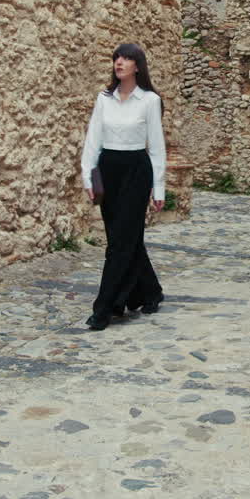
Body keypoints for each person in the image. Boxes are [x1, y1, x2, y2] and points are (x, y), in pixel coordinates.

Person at [80, 43, 166, 330]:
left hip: (136, 172)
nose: (119, 62)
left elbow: (157, 148)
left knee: (120, 243)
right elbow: (93, 140)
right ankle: (150, 291)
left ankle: (105, 308)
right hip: (109, 170)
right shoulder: (104, 99)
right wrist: (89, 177)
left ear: (137, 66)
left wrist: (159, 188)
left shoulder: (150, 100)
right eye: (116, 57)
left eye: (126, 58)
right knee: (124, 239)